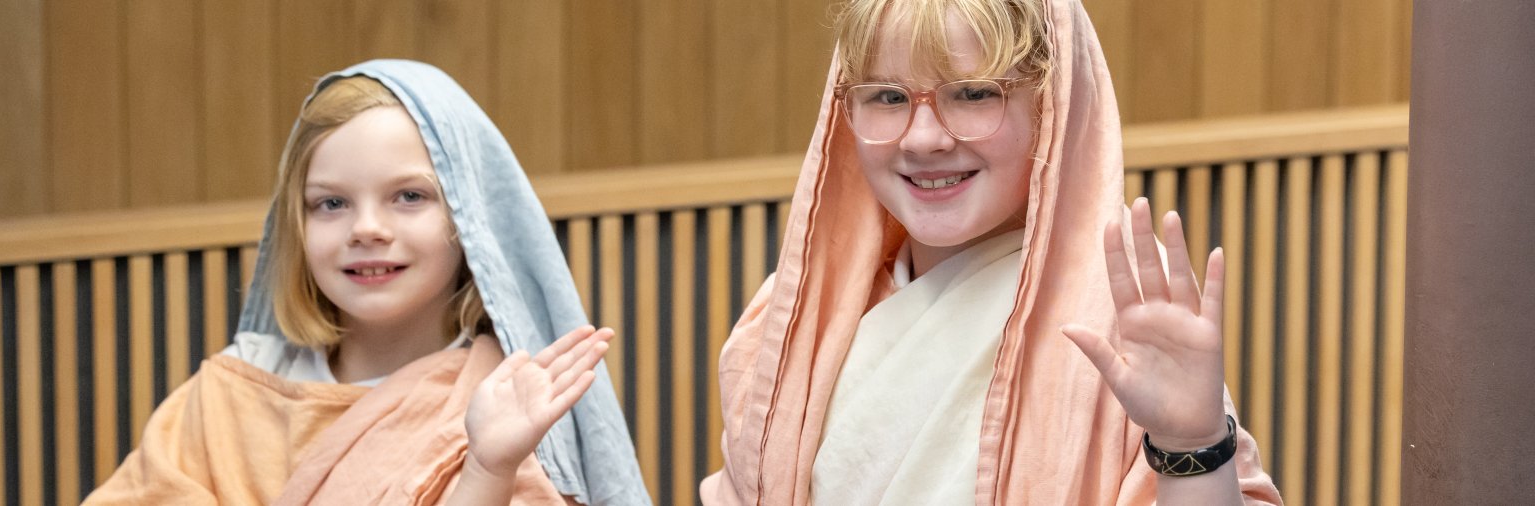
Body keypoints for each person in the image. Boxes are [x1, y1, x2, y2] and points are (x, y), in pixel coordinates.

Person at [701, 0, 1282, 504]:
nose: (923, 137)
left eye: (975, 93)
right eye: (886, 96)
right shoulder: (795, 318)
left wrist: (1191, 444)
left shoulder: (1124, 309)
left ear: (1050, 104)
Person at [86, 60, 650, 505]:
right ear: (296, 226)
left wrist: (488, 468)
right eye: (331, 203)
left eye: (409, 196)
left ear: (468, 219)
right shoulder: (234, 391)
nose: (367, 229)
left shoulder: (508, 403)